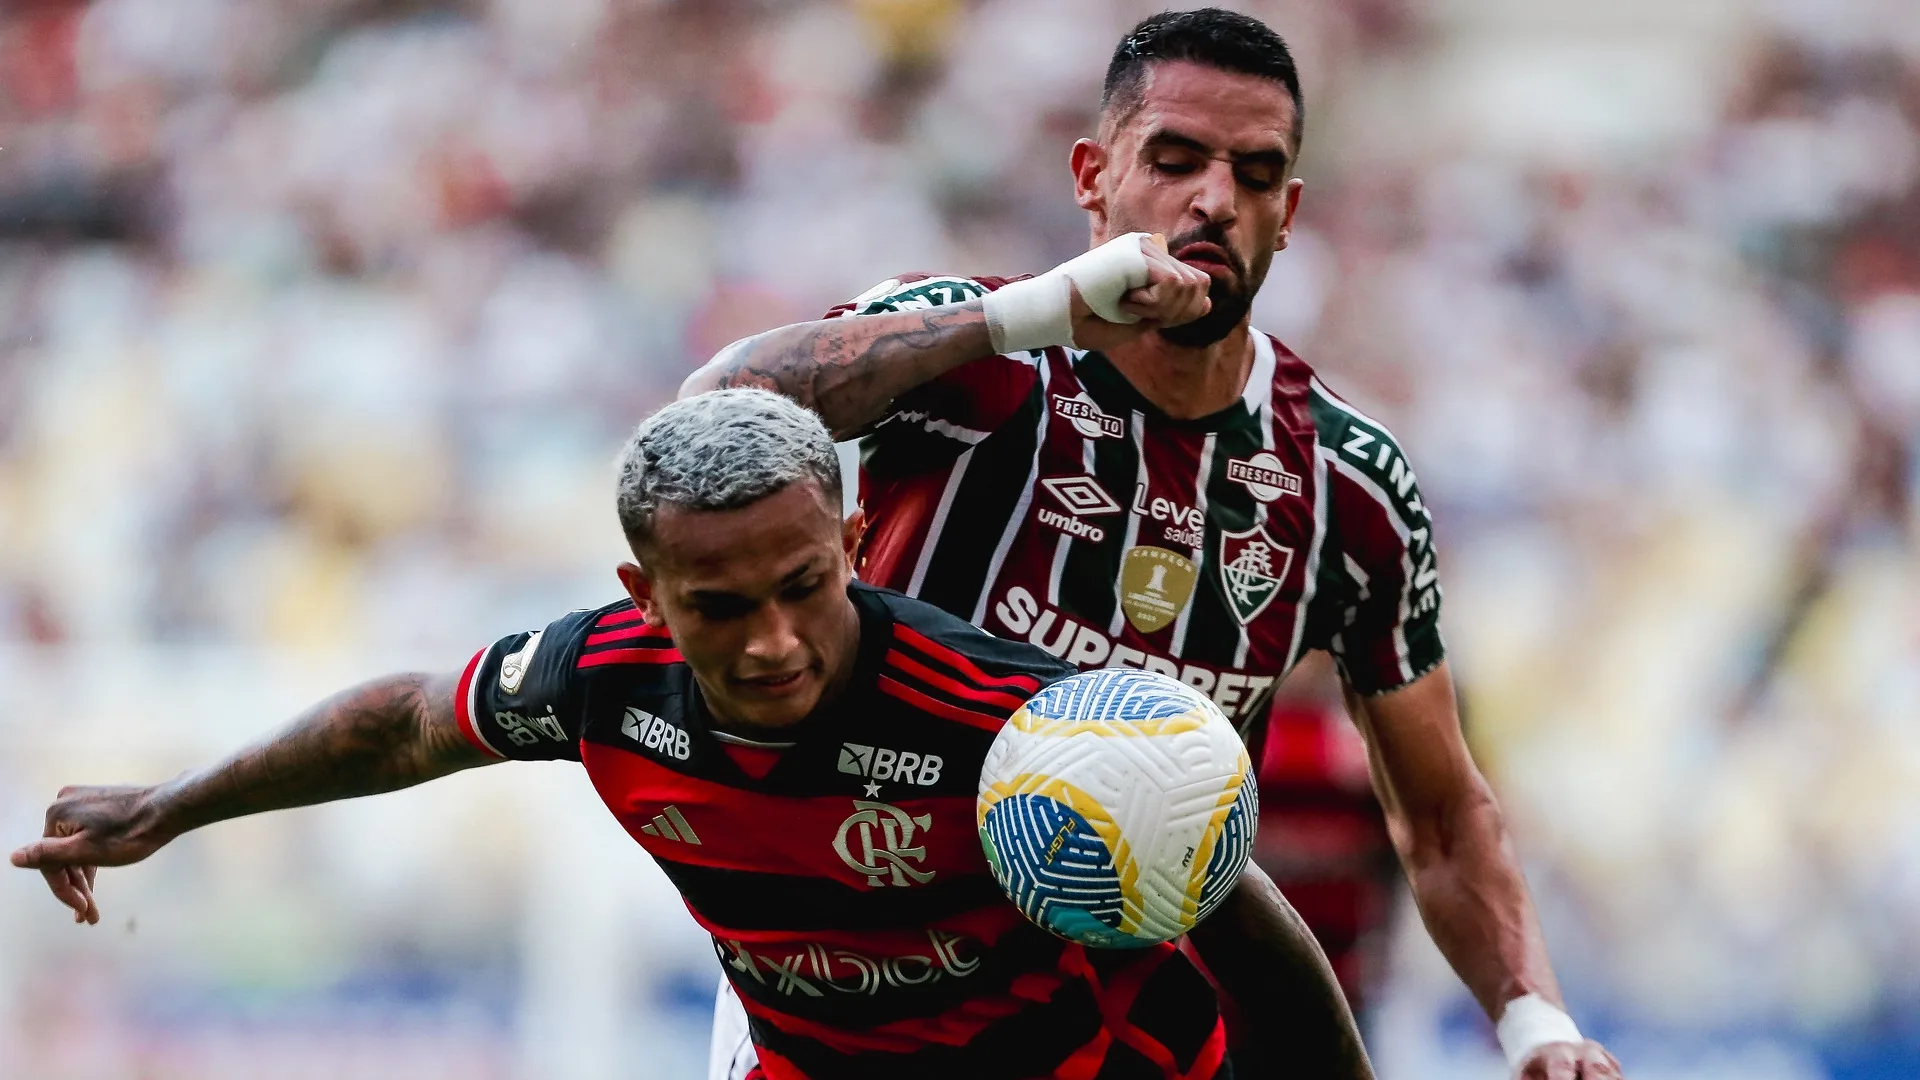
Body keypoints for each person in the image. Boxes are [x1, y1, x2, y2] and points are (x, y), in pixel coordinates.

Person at [683, 9, 1622, 1080]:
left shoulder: (1346, 484)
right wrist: (1024, 317)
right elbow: (714, 409)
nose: (1213, 200)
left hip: (1123, 1027)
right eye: (1173, 161)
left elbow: (1445, 813)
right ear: (1093, 175)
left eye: (1255, 174)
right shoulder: (976, 350)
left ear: (1289, 211)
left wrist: (1533, 1022)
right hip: (859, 993)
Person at [13, 390, 1370, 1080]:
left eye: (804, 588)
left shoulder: (1012, 719)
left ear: (850, 544)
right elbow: (404, 725)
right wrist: (172, 808)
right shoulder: (602, 680)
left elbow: (1235, 912)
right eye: (721, 607)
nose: (774, 640)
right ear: (643, 595)